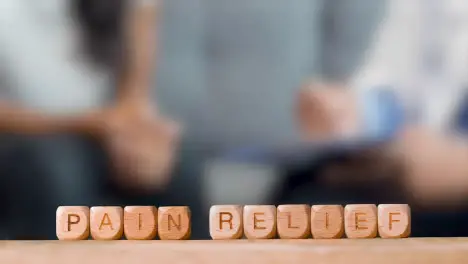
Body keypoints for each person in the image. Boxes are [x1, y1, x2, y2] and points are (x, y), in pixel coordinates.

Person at [296, 0, 468, 236]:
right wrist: (356, 113)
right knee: (308, 205)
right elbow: (397, 85)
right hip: (400, 164)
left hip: (445, 189)